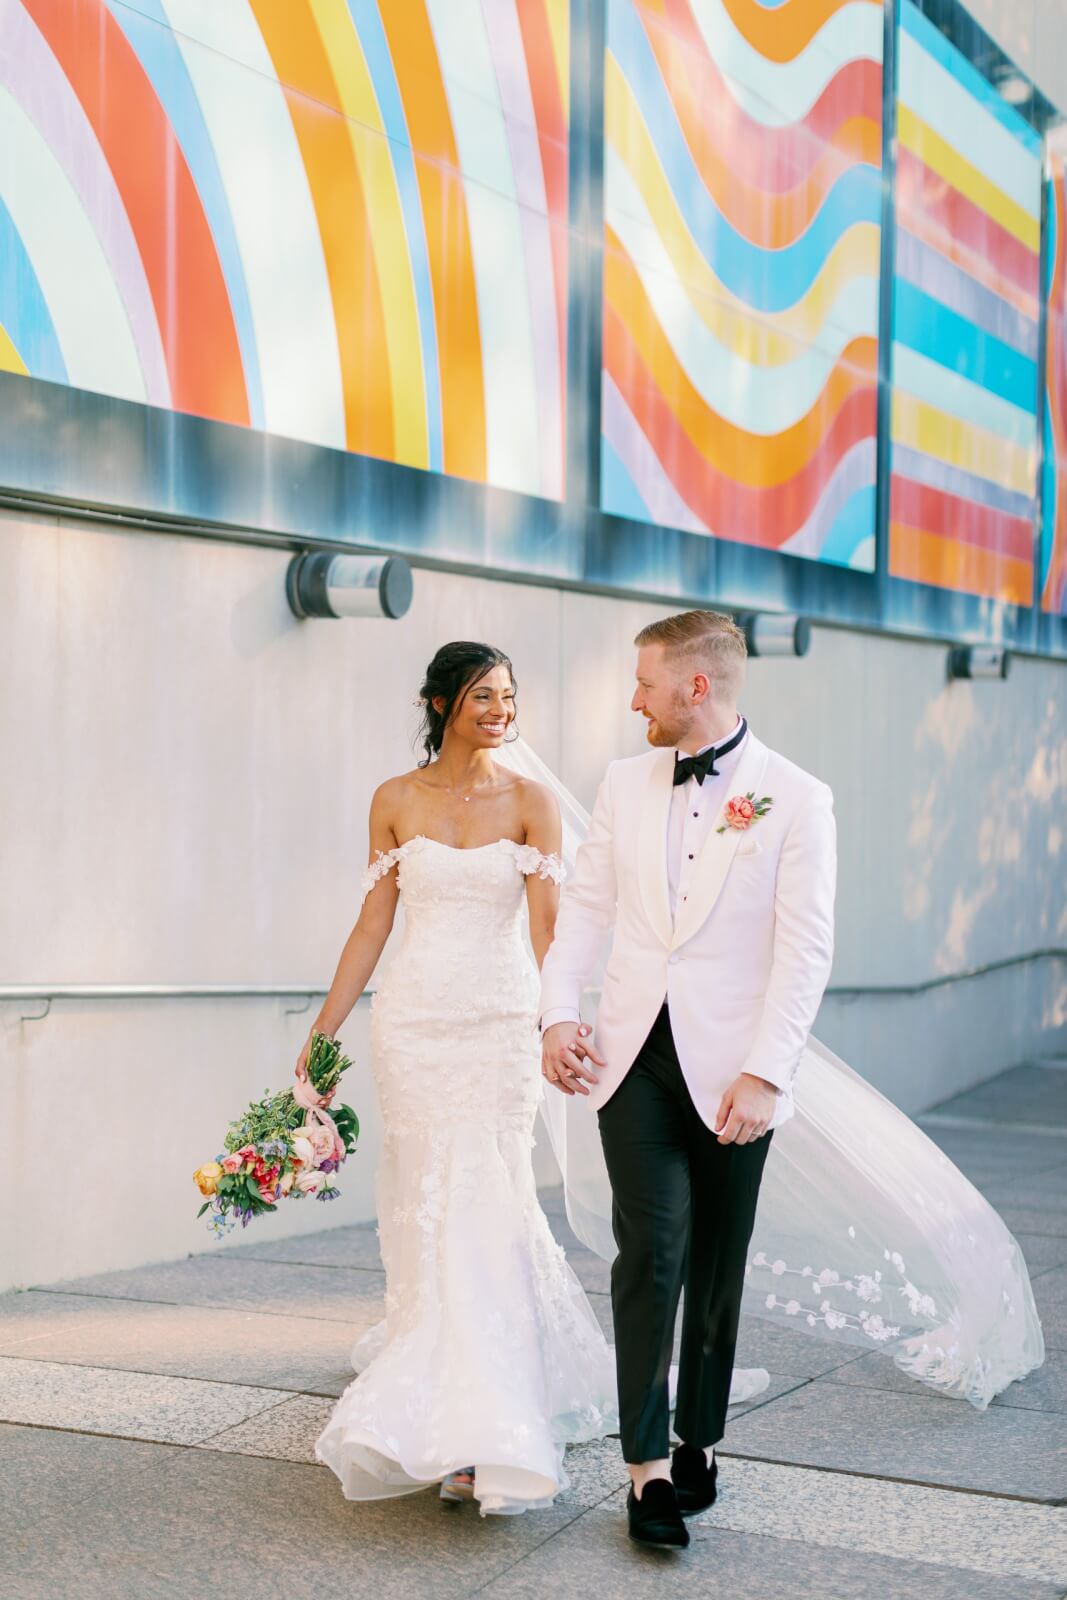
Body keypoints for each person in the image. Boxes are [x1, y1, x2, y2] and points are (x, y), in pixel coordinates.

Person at [537, 608, 1044, 1550]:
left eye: (644, 682)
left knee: (716, 1258)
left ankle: (699, 1441)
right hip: (631, 1061)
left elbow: (804, 950)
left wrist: (768, 1073)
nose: (632, 699)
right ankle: (647, 1469)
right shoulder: (620, 783)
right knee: (648, 1251)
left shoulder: (798, 798)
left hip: (737, 1068)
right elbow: (585, 912)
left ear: (698, 686)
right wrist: (558, 1011)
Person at [299, 641, 618, 1516]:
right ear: (438, 703)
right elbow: (373, 922)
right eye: (482, 696)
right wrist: (324, 1031)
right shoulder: (394, 800)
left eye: (508, 697)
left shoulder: (532, 802)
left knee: (488, 1191)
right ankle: (429, 1351)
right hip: (413, 1019)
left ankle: (486, 1415)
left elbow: (549, 930)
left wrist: (563, 1019)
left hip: (498, 1022)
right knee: (421, 1193)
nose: (500, 711)